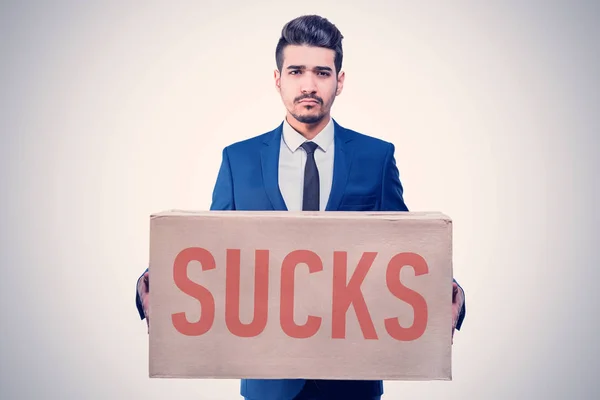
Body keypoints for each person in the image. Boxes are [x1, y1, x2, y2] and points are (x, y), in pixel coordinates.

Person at [136, 14, 466, 400]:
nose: (308, 85)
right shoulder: (238, 160)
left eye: (322, 73)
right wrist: (156, 285)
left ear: (339, 81)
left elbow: (407, 250)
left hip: (353, 378)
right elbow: (213, 250)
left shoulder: (375, 158)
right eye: (296, 71)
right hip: (268, 380)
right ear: (278, 79)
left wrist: (448, 293)